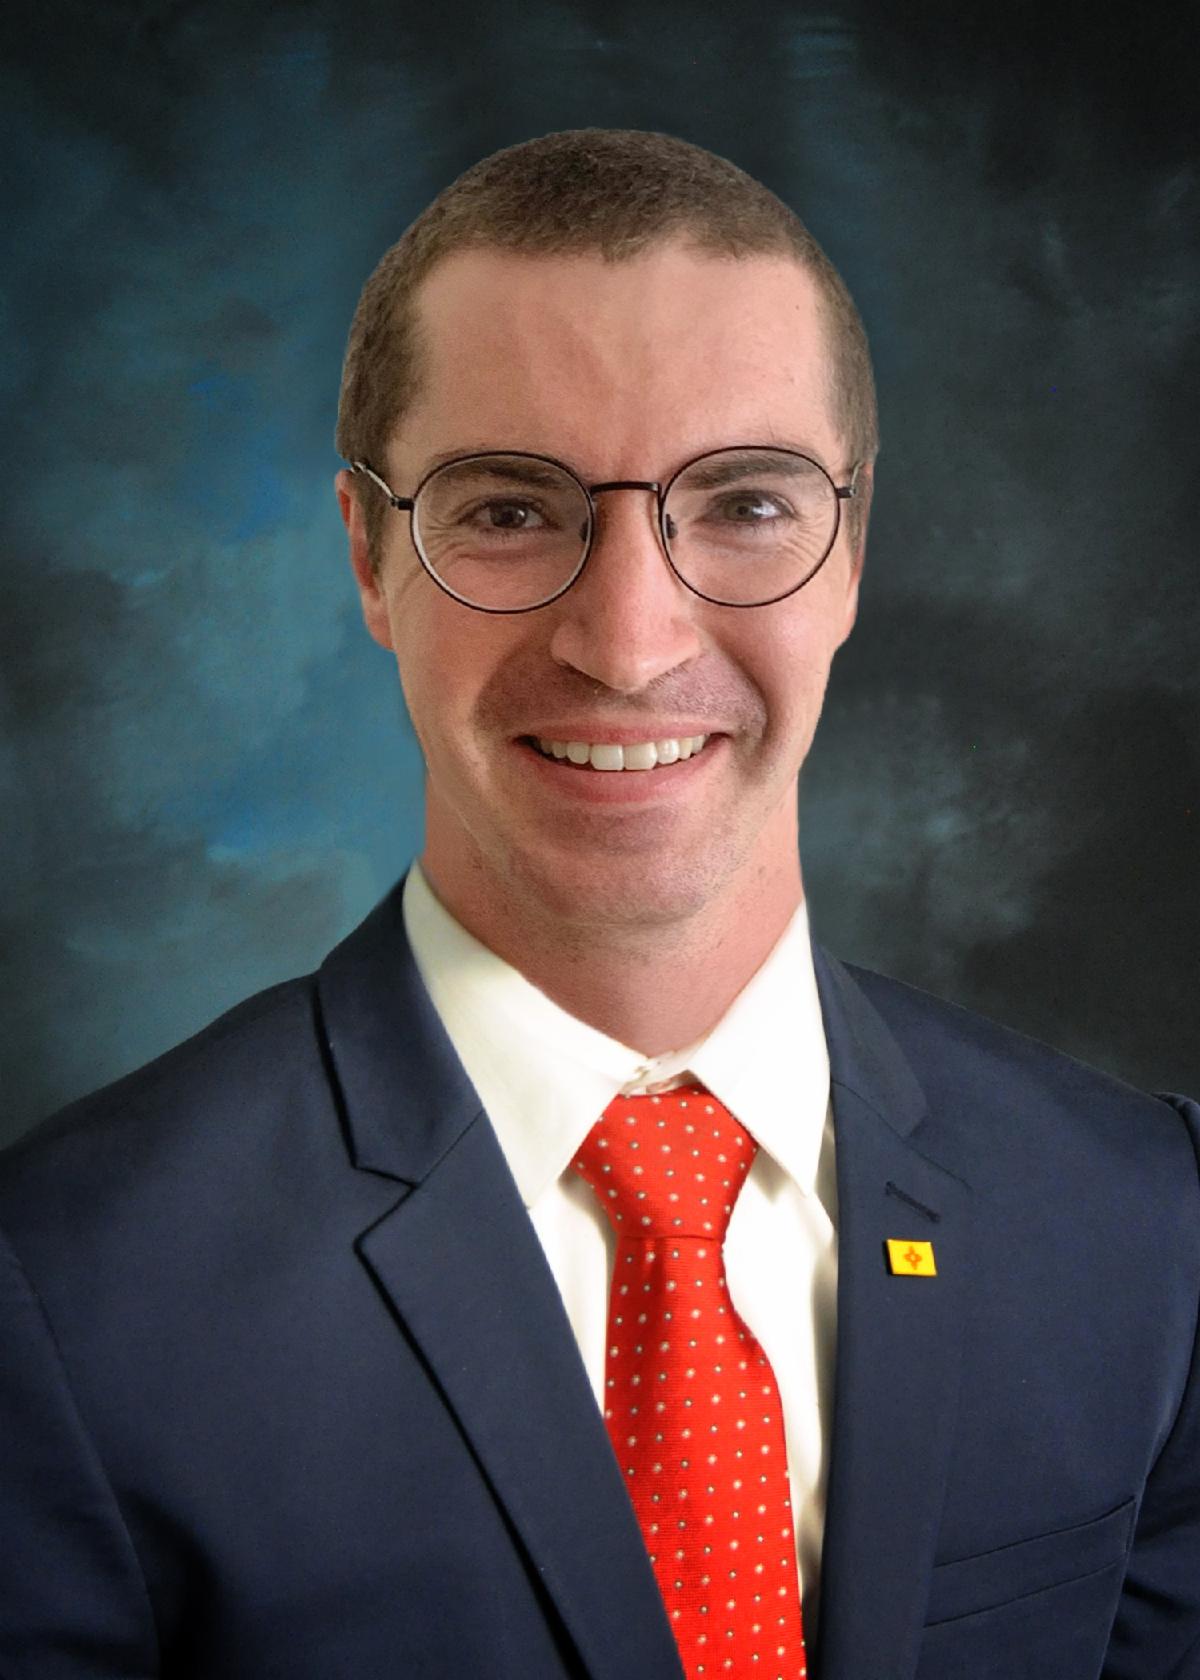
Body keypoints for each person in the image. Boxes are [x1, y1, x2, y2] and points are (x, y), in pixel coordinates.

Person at [1, 128, 1197, 1680]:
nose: (629, 642)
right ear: (367, 556)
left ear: (850, 550)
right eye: (509, 509)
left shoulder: (1147, 1226)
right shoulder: (62, 1296)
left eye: (745, 503)